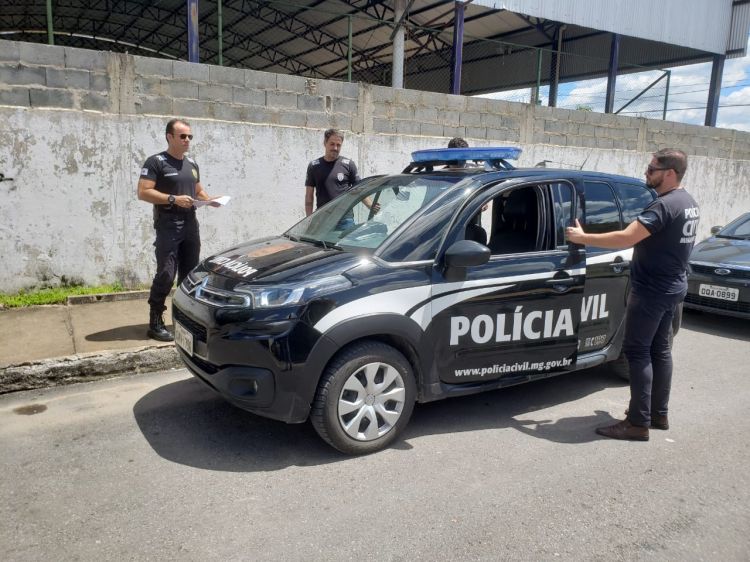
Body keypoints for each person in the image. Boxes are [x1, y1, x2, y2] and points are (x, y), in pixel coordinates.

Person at [566, 148, 699, 441]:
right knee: (660, 351)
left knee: (637, 352)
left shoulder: (663, 206)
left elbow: (627, 237)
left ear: (670, 173)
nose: (646, 172)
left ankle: (638, 422)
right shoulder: (688, 202)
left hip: (652, 290)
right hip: (673, 287)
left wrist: (582, 238)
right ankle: (658, 414)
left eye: (652, 169)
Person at [137, 118, 222, 341]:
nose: (187, 140)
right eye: (183, 136)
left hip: (190, 224)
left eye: (190, 137)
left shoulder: (191, 163)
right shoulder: (156, 162)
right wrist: (172, 199)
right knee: (166, 273)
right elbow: (143, 192)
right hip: (168, 223)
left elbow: (198, 190)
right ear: (169, 137)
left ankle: (183, 319)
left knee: (189, 275)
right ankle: (155, 320)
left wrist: (209, 200)